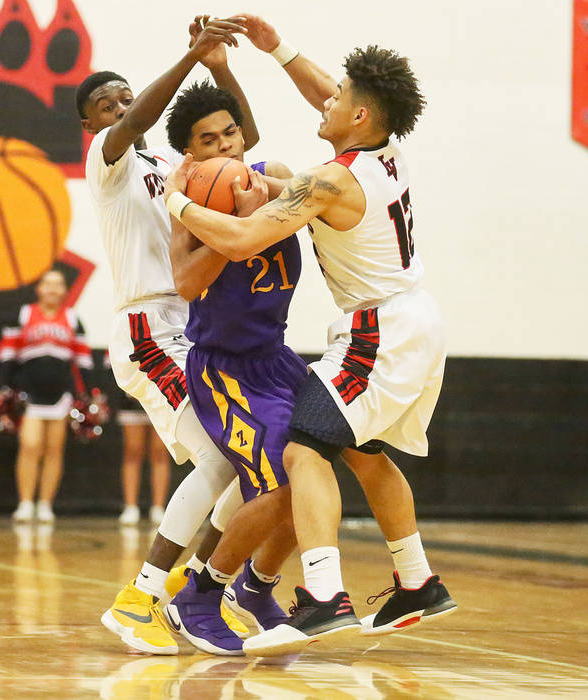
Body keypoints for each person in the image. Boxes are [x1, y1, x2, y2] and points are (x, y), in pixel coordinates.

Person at [163, 18, 457, 656]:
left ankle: (321, 598)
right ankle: (417, 581)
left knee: (299, 452)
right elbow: (334, 95)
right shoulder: (385, 149)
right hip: (416, 320)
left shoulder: (329, 180)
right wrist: (276, 48)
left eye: (338, 97)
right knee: (364, 453)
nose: (325, 99)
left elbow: (241, 240)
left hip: (378, 331)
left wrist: (179, 202)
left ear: (358, 114)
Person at [79, 15, 256, 654]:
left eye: (127, 96)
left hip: (197, 325)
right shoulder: (108, 162)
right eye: (109, 103)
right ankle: (141, 599)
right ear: (91, 123)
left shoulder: (171, 164)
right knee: (221, 456)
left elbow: (243, 148)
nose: (124, 108)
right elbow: (130, 126)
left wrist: (220, 69)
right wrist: (188, 58)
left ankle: (192, 591)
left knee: (250, 457)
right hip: (149, 329)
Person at [155, 80, 307, 655]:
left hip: (278, 356)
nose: (225, 149)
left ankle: (256, 587)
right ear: (191, 157)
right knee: (273, 481)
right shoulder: (190, 210)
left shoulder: (276, 175)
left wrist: (260, 204)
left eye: (230, 134)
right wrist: (236, 232)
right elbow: (189, 282)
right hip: (225, 369)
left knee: (312, 476)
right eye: (208, 142)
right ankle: (198, 596)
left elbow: (306, 200)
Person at [0, 269, 93, 523]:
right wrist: (1, 387)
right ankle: (26, 503)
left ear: (64, 290)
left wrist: (87, 395)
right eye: (47, 284)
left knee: (53, 450)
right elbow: (8, 356)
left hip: (60, 393)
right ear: (38, 288)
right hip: (29, 391)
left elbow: (83, 362)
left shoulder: (73, 319)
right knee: (30, 446)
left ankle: (45, 504)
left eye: (57, 284)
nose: (52, 289)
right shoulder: (24, 314)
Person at [115, 391, 170, 526]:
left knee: (160, 452)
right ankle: (130, 507)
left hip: (161, 397)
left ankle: (158, 507)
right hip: (132, 397)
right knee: (132, 451)